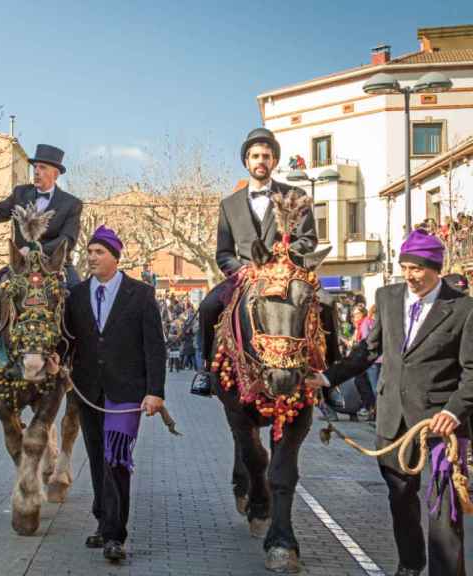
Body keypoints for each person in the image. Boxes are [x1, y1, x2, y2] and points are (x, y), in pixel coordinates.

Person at [309, 229, 473, 576]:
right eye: (406, 267)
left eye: (418, 268)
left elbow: (471, 371)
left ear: (436, 268)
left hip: (440, 427)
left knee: (444, 509)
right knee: (400, 500)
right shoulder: (387, 298)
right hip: (393, 422)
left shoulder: (463, 308)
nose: (411, 276)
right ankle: (409, 565)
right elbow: (368, 351)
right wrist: (326, 378)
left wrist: (453, 411)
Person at [63, 226, 166, 563]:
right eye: (89, 252)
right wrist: (56, 360)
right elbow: (68, 340)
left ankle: (114, 536)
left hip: (127, 391)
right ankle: (103, 521)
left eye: (99, 252)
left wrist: (155, 392)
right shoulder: (76, 295)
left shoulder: (141, 294)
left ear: (115, 257)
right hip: (88, 389)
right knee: (95, 457)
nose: (92, 257)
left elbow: (155, 347)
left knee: (115, 457)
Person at [197, 128, 318, 388]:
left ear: (274, 161)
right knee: (207, 307)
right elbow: (224, 253)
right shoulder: (228, 205)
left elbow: (309, 239)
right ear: (246, 161)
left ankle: (328, 379)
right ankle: (206, 372)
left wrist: (283, 257)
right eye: (255, 156)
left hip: (285, 277)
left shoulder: (295, 195)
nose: (261, 161)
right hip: (245, 278)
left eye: (266, 156)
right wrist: (244, 270)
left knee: (326, 306)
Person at [0, 144, 83, 367]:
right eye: (35, 167)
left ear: (55, 173)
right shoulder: (20, 194)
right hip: (22, 267)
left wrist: (36, 249)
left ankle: (79, 361)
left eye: (42, 167)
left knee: (81, 301)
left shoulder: (71, 204)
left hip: (56, 266)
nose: (36, 171)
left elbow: (68, 240)